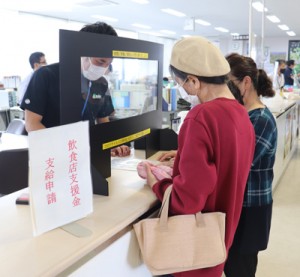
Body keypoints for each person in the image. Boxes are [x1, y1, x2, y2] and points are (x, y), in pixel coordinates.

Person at [143, 36, 256, 277]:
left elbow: (186, 201)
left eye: (180, 82)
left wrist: (157, 183)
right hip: (218, 241)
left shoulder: (200, 117)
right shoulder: (241, 113)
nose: (182, 89)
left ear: (193, 81)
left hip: (191, 254)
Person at [20, 22, 130, 157]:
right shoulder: (47, 75)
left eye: (108, 64)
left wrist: (111, 144)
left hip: (86, 156)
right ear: (82, 51)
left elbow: (103, 121)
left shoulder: (101, 83)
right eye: (100, 62)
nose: (103, 68)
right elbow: (31, 124)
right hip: (52, 156)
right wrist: (63, 149)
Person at [224, 53, 278, 277]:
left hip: (251, 207)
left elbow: (239, 161)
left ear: (245, 82)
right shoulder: (241, 114)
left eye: (229, 83)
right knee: (232, 264)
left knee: (241, 268)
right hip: (239, 204)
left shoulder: (261, 119)